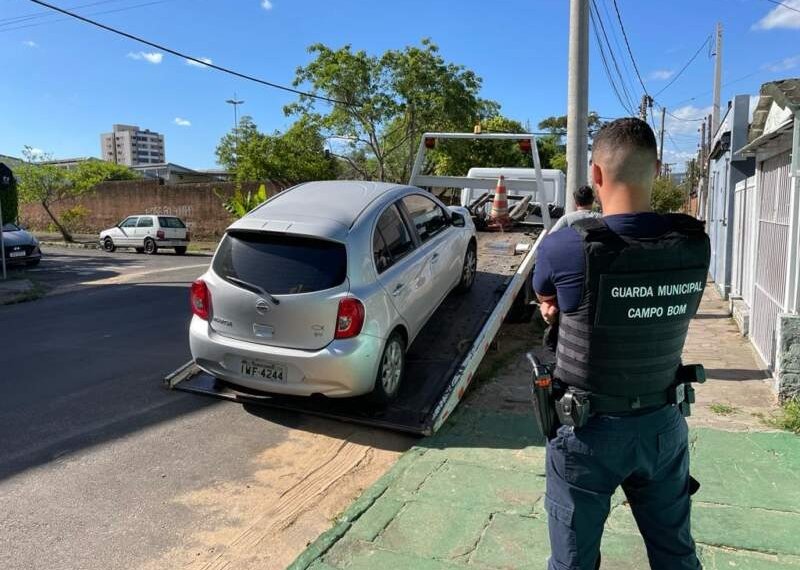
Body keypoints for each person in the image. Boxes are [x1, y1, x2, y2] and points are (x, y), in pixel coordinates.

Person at [532, 118, 710, 570]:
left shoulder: (565, 247)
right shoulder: (694, 244)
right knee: (676, 556)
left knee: (573, 562)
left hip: (587, 432)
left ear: (595, 174)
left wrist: (555, 311)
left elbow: (547, 297)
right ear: (657, 169)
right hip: (663, 426)